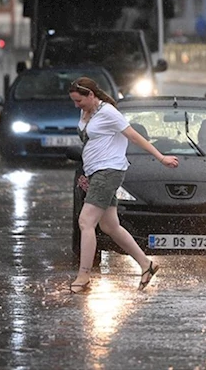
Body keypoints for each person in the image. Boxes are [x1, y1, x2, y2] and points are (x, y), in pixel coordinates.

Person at [68, 77, 179, 294]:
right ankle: (146, 264)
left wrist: (161, 157)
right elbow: (94, 145)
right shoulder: (86, 111)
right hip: (96, 172)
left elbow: (134, 137)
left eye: (79, 101)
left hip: (109, 171)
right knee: (109, 226)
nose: (76, 105)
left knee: (85, 221)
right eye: (74, 101)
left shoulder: (108, 112)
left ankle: (84, 275)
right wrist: (87, 174)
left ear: (91, 95)